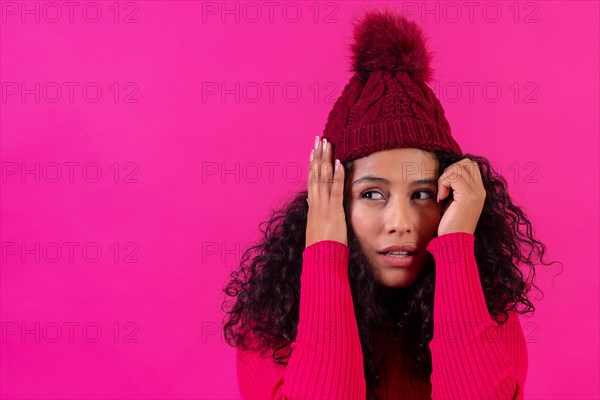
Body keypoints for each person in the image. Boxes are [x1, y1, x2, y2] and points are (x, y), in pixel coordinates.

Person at [222, 8, 560, 400]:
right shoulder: (272, 324)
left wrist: (455, 249)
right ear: (331, 199)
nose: (401, 222)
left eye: (421, 194)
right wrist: (324, 249)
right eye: (371, 194)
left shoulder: (488, 312)